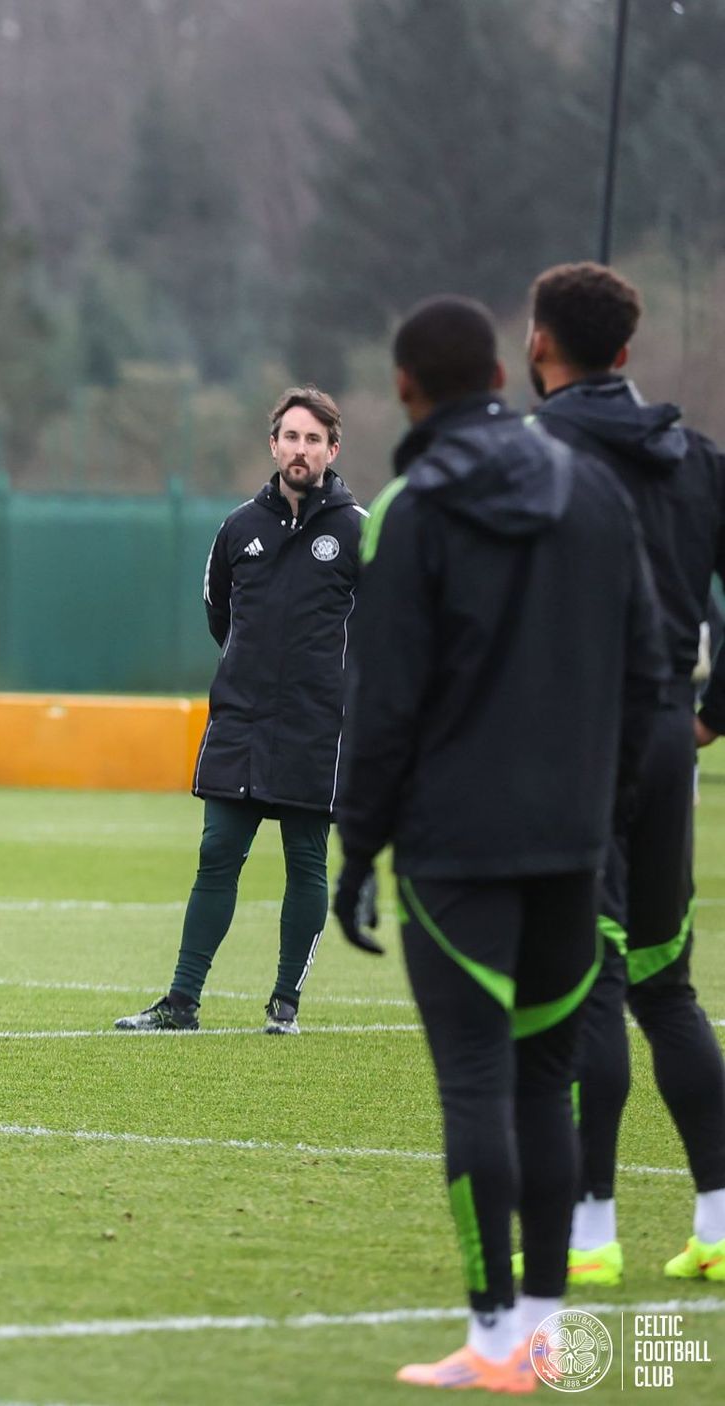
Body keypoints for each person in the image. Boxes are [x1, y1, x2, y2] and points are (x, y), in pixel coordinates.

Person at [333, 296, 663, 1389]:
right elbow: (645, 674)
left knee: (476, 1084)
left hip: (456, 851)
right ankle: (543, 1329)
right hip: (573, 844)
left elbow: (384, 707)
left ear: (404, 388)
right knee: (546, 1080)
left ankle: (489, 1344)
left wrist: (358, 851)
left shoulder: (413, 510)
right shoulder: (596, 492)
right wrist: (602, 811)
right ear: (504, 369)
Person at [525, 261, 725, 1286]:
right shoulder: (697, 455)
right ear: (630, 350)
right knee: (668, 984)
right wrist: (710, 713)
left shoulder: (531, 452)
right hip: (660, 732)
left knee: (587, 983)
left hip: (578, 740)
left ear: (540, 346)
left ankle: (592, 1234)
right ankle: (718, 1220)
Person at [115, 386, 362, 1037]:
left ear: (332, 450)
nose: (300, 449)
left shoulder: (359, 531)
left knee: (306, 862)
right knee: (217, 853)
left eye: (314, 439)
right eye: (291, 437)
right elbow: (219, 614)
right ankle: (181, 1002)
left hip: (316, 728)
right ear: (273, 444)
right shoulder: (238, 529)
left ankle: (285, 1004)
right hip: (241, 722)